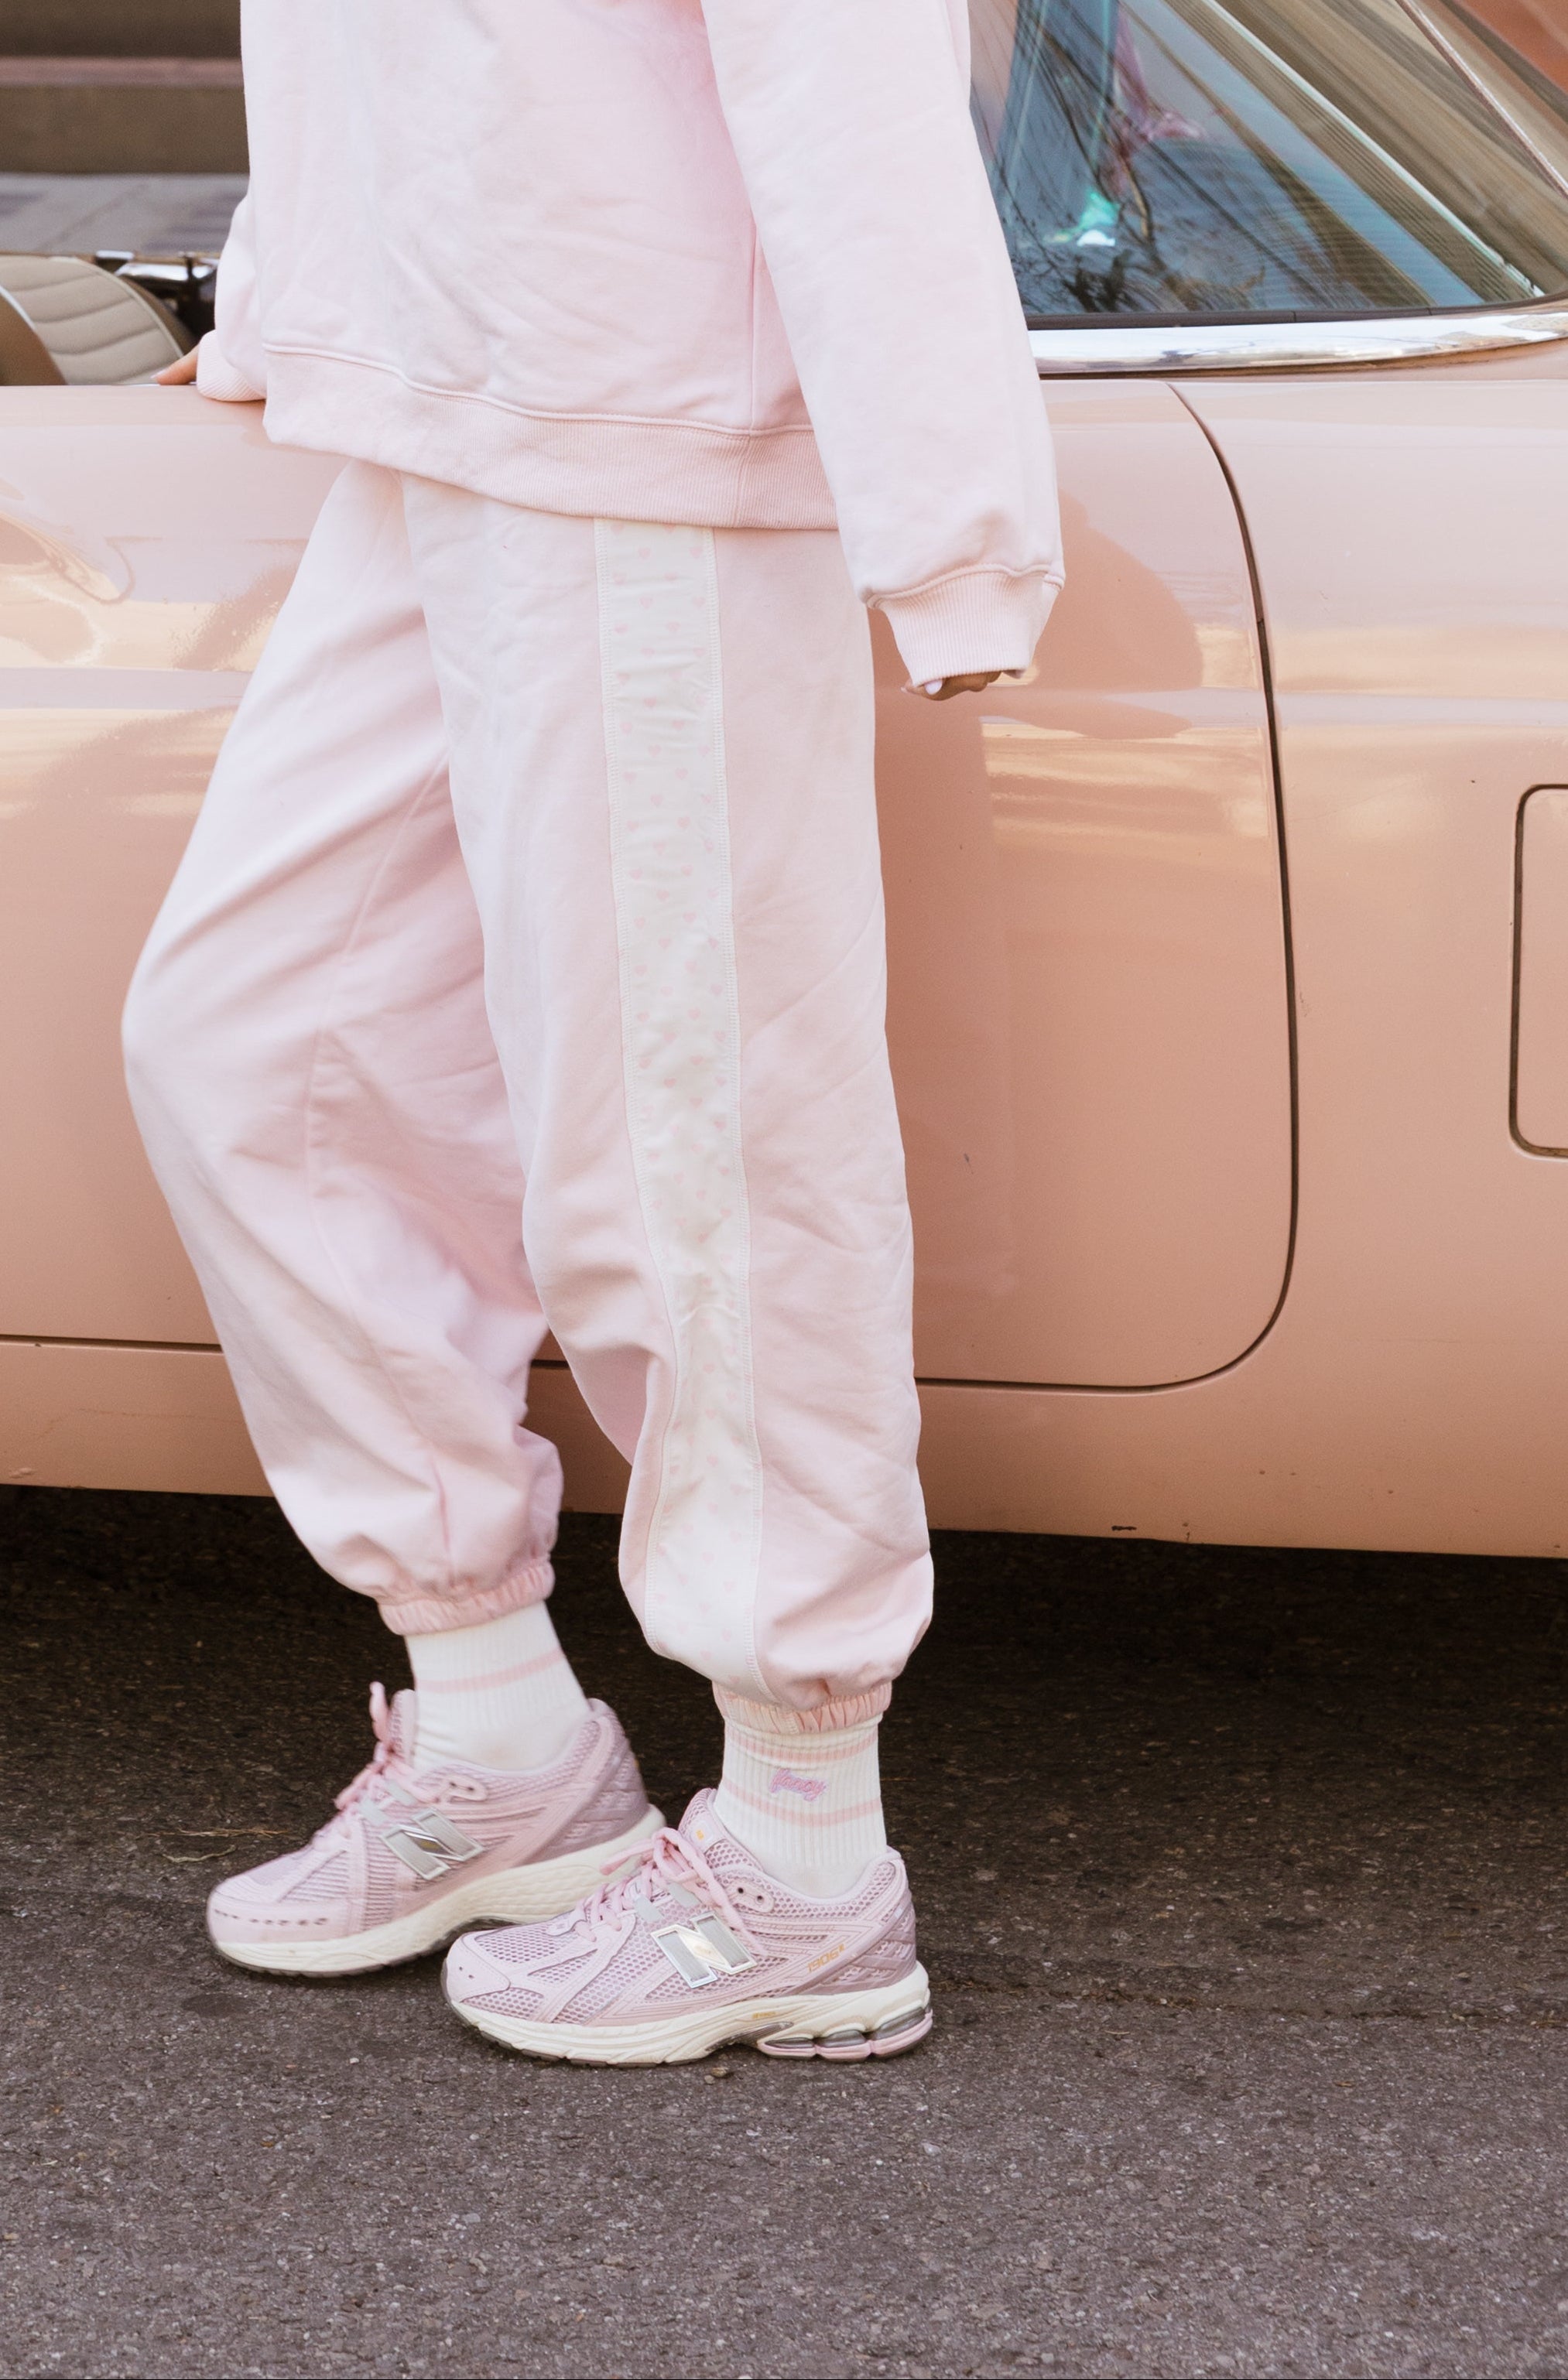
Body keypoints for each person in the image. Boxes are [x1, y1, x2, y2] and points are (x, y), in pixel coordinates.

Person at [125, 0, 1062, 2067]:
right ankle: (499, 1736)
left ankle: (806, 1850)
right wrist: (293, 298)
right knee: (249, 1040)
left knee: (695, 1145)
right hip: (434, 400)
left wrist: (954, 528)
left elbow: (843, 65)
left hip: (654, 420)